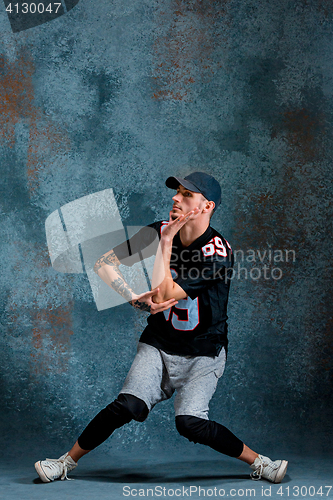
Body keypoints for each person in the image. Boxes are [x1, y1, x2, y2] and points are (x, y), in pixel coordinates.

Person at [34, 172, 288, 484]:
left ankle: (260, 462)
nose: (175, 199)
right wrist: (132, 297)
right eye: (177, 192)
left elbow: (166, 293)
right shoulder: (157, 230)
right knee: (127, 405)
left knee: (190, 423)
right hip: (159, 344)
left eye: (186, 195)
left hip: (203, 353)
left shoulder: (217, 253)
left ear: (207, 206)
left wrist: (166, 241)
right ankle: (64, 463)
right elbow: (104, 263)